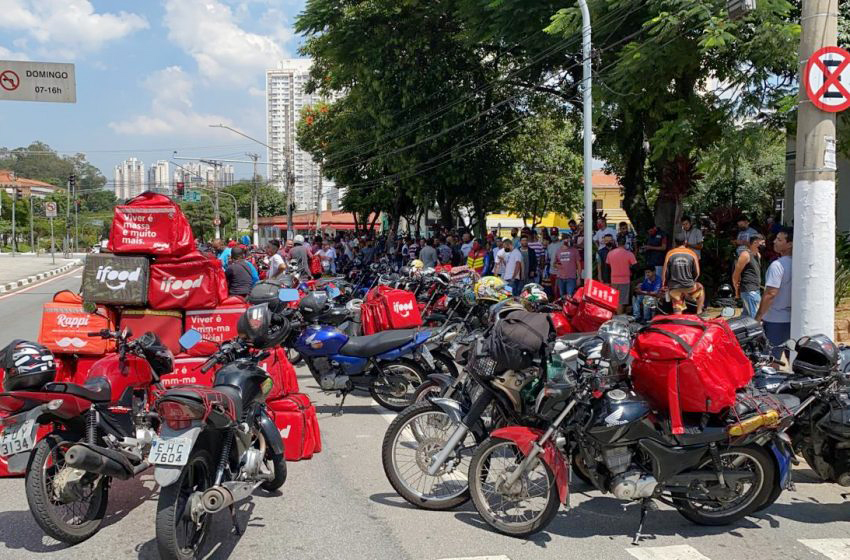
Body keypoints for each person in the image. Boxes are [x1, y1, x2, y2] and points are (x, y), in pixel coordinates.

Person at [756, 227, 793, 359]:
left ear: (790, 244)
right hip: (793, 320)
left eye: (779, 239)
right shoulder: (799, 265)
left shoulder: (777, 266)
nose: (774, 242)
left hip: (775, 320)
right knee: (793, 360)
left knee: (771, 361)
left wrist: (758, 317)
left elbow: (770, 294)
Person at [662, 237, 704, 314]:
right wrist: (692, 282)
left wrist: (664, 285)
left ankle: (678, 320)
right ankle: (699, 312)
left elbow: (665, 273)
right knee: (700, 287)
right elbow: (697, 273)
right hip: (689, 287)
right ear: (685, 242)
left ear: (675, 243)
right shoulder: (692, 253)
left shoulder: (670, 253)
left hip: (674, 287)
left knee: (677, 309)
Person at [732, 233, 765, 318]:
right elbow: (736, 273)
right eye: (762, 243)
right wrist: (736, 290)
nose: (764, 245)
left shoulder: (758, 255)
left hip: (755, 289)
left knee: (746, 317)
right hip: (749, 290)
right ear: (755, 243)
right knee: (755, 318)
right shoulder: (745, 255)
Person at [606, 242, 637, 314]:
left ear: (617, 243)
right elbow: (635, 267)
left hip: (613, 279)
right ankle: (618, 317)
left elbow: (607, 268)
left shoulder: (610, 253)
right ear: (625, 244)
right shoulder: (629, 254)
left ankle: (612, 316)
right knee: (621, 301)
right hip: (625, 280)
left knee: (613, 300)